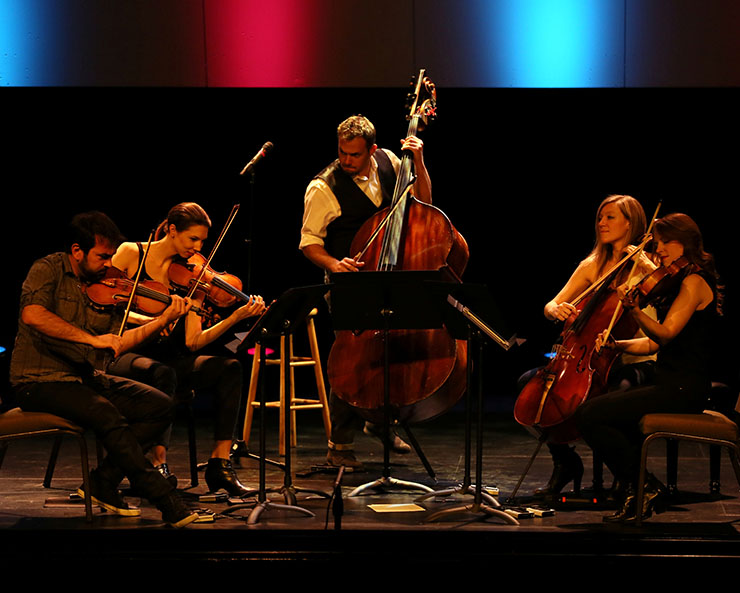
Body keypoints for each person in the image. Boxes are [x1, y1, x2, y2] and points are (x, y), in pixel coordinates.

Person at [9, 211, 198, 527]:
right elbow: (33, 315)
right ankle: (166, 500)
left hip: (83, 378)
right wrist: (90, 339)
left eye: (111, 255)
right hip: (39, 381)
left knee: (159, 406)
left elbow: (119, 343)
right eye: (102, 256)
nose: (109, 263)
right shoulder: (48, 269)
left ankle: (102, 482)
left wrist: (164, 320)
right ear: (77, 251)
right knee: (107, 414)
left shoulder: (107, 286)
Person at [300, 114, 432, 469]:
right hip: (349, 282)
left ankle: (380, 421)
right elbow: (309, 243)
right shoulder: (322, 187)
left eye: (354, 155)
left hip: (391, 274)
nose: (346, 161)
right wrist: (332, 264)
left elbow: (424, 205)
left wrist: (417, 160)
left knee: (394, 352)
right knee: (353, 362)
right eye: (342, 153)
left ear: (372, 150)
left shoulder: (392, 162)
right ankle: (339, 446)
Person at [108, 202, 265, 497]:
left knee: (229, 368)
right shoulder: (132, 253)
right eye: (193, 239)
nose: (198, 247)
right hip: (124, 351)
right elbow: (104, 301)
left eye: (203, 241)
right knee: (163, 373)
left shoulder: (190, 278)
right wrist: (156, 320)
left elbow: (193, 342)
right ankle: (157, 466)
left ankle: (220, 464)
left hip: (168, 357)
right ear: (171, 230)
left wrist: (235, 317)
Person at [575, 213, 721, 522]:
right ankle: (639, 489)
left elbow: (665, 333)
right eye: (658, 243)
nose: (660, 250)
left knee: (590, 415)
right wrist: (620, 344)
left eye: (667, 242)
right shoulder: (678, 280)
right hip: (668, 381)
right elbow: (654, 345)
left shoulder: (694, 282)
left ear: (687, 242)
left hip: (684, 388)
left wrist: (636, 311)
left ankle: (644, 487)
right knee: (603, 412)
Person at [521, 194, 656, 496]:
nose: (602, 223)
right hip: (587, 360)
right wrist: (556, 309)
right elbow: (551, 303)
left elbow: (664, 312)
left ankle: (629, 471)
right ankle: (565, 461)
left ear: (630, 223)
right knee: (529, 387)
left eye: (610, 217)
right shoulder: (592, 264)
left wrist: (646, 266)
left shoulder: (647, 266)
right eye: (600, 217)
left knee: (609, 398)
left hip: (636, 360)